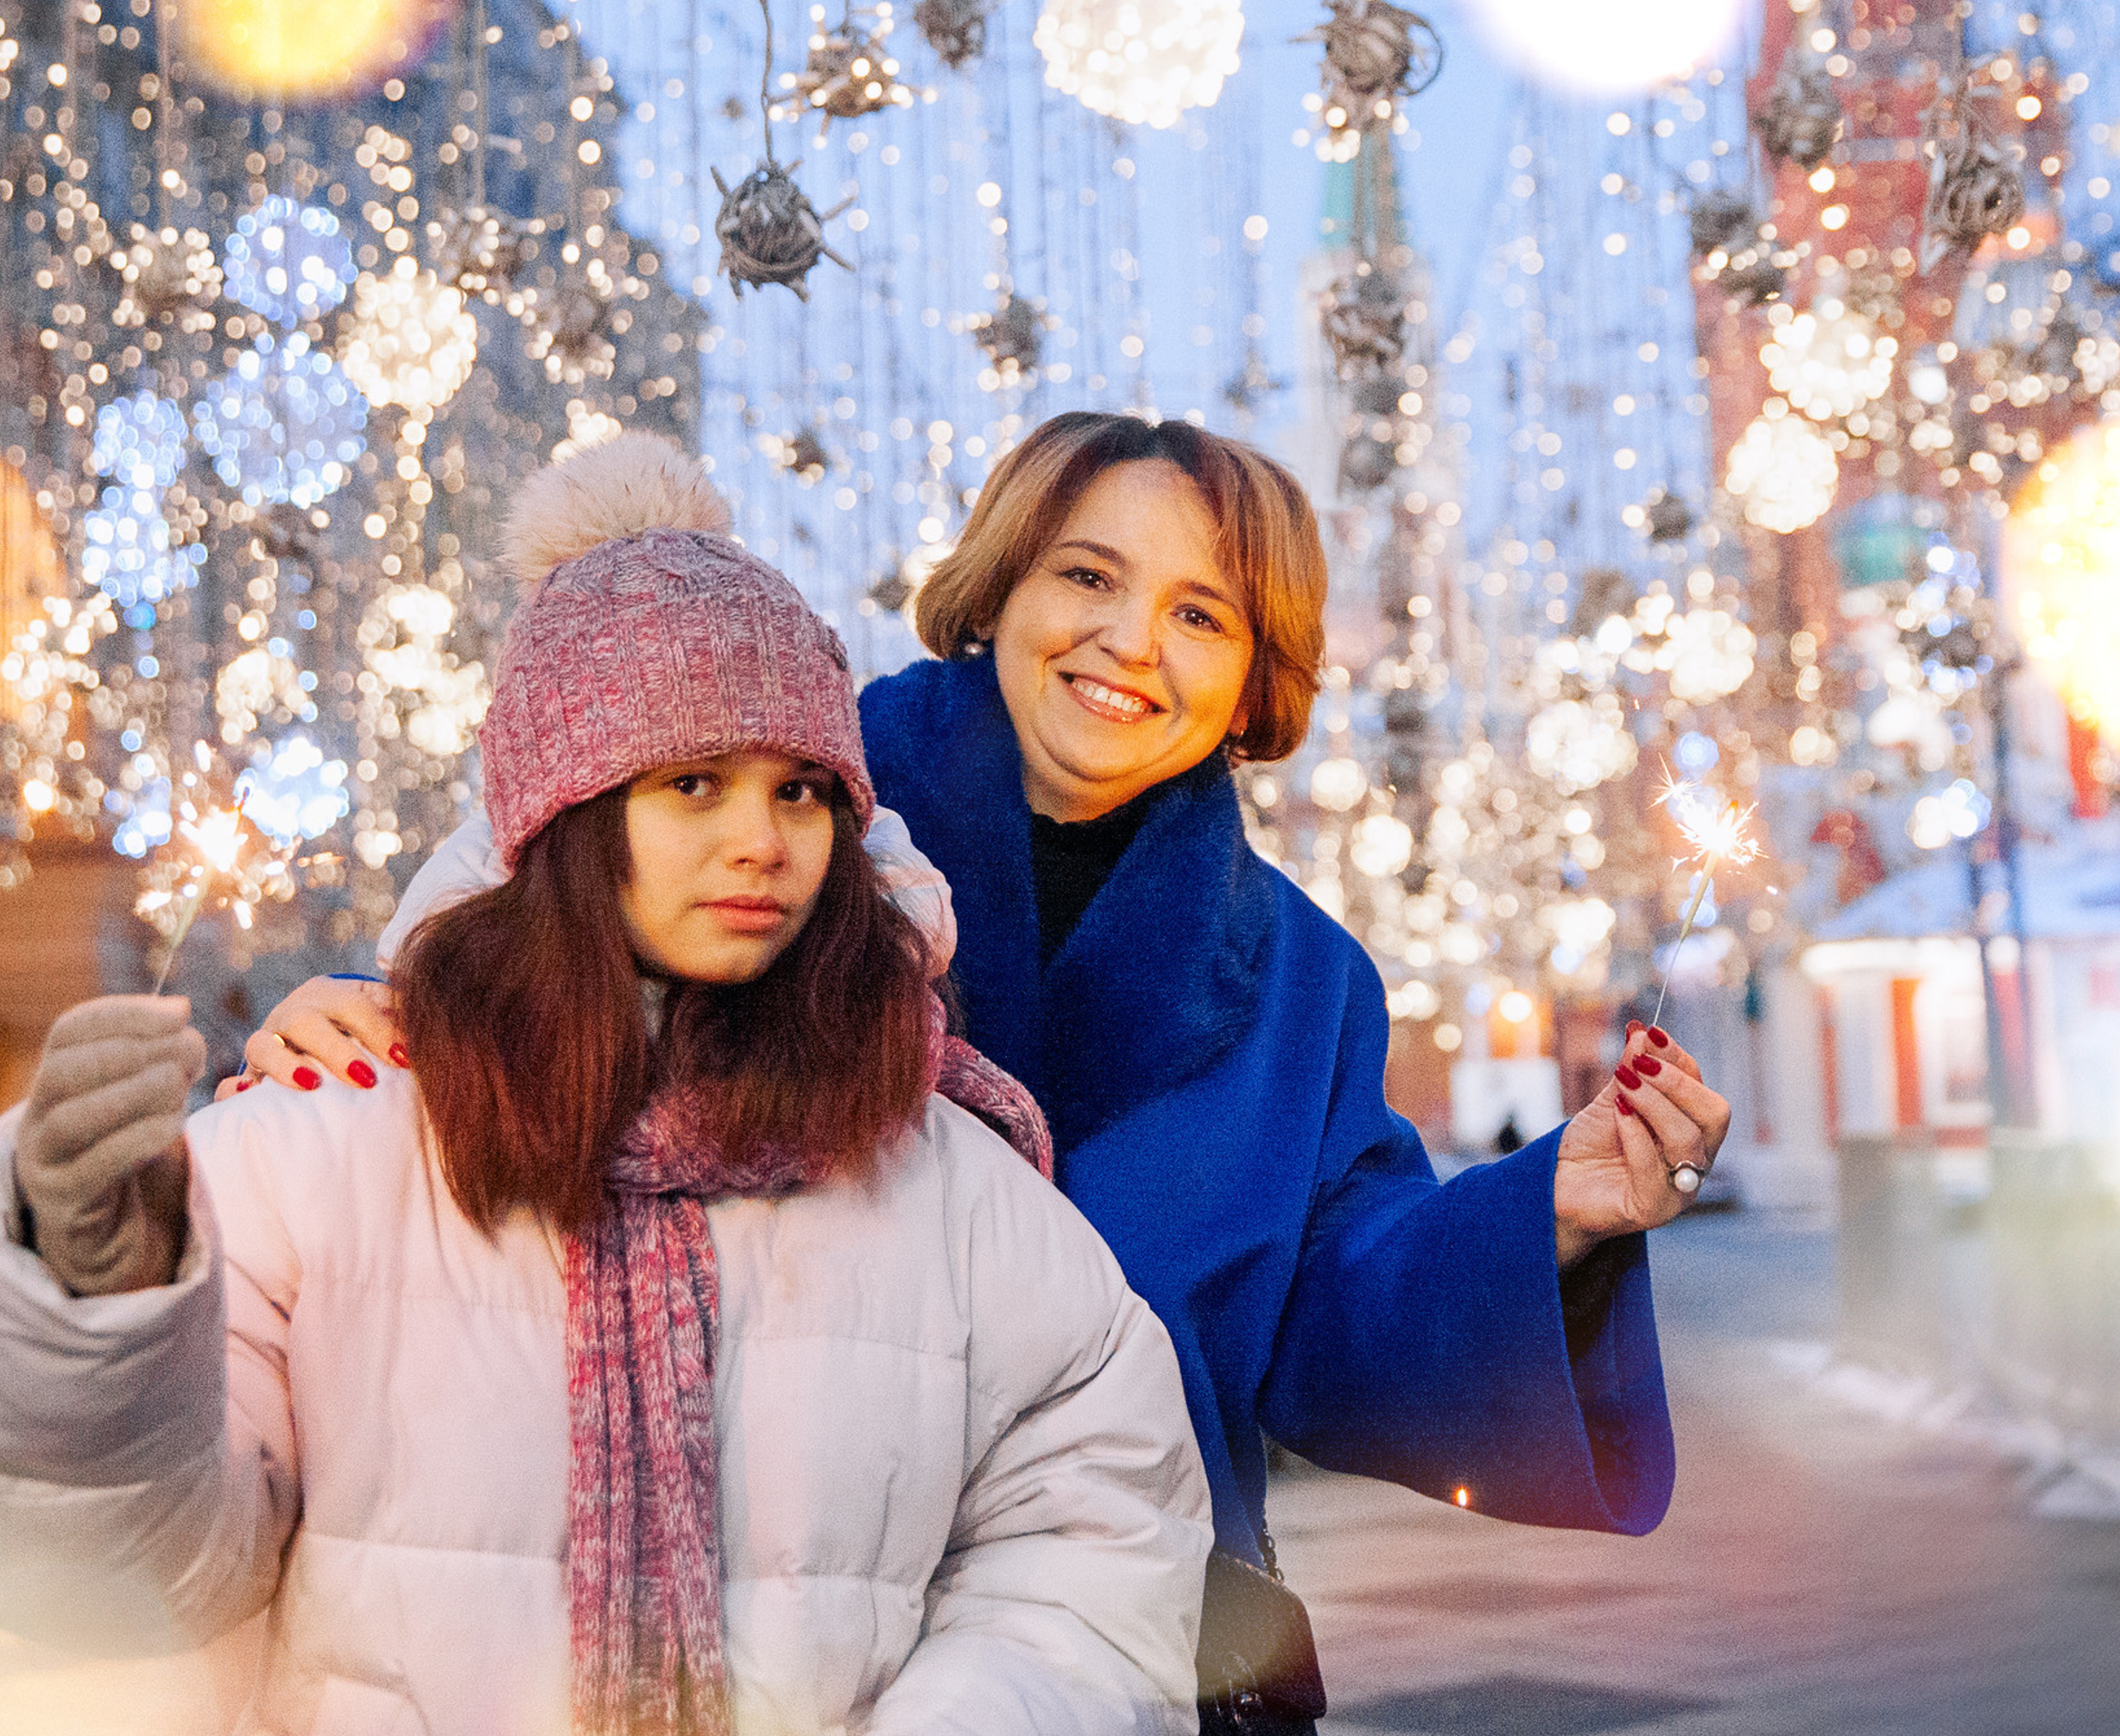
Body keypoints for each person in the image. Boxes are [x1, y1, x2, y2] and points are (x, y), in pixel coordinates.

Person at [253, 416, 1731, 1720]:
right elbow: (535, 952)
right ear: (1002, 588)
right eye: (1088, 577)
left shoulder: (1298, 979)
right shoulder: (764, 812)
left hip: (1132, 1645)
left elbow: (1326, 1317)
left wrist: (1548, 1221)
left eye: (1203, 614)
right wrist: (378, 1023)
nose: (1131, 644)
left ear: (1256, 672)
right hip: (752, 1632)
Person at [0, 438, 1210, 1735]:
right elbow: (125, 1592)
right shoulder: (323, 1142)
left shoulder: (945, 1179)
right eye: (692, 785)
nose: (761, 841)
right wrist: (98, 1306)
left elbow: (1091, 1556)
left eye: (801, 790)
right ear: (569, 812)